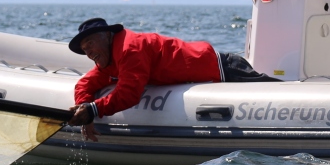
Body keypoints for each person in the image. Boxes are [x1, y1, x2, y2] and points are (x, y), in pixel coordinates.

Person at [66, 17, 275, 140]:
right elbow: (85, 83)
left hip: (224, 69)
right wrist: (85, 109)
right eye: (84, 49)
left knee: (275, 91)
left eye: (90, 44)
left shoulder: (130, 49)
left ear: (107, 36)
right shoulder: (109, 59)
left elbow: (129, 93)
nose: (88, 52)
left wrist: (93, 110)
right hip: (213, 71)